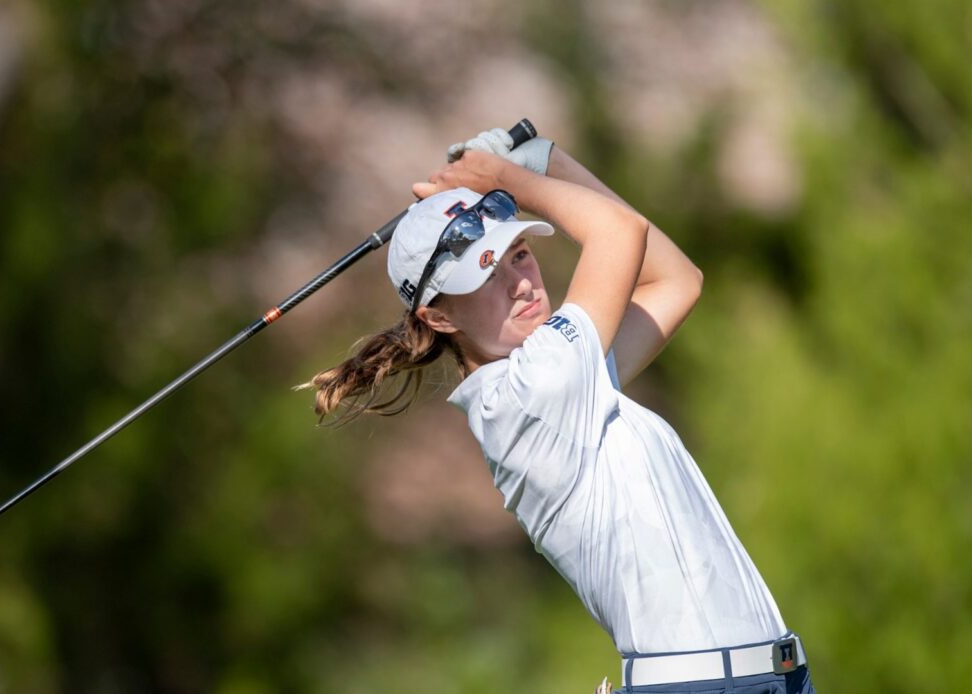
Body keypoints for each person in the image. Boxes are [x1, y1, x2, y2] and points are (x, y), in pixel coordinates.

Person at [303, 126, 816, 693]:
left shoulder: (566, 382)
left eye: (519, 255)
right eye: (486, 276)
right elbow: (621, 232)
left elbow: (676, 281)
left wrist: (544, 160)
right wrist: (510, 179)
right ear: (439, 318)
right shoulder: (530, 394)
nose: (520, 283)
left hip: (767, 678)